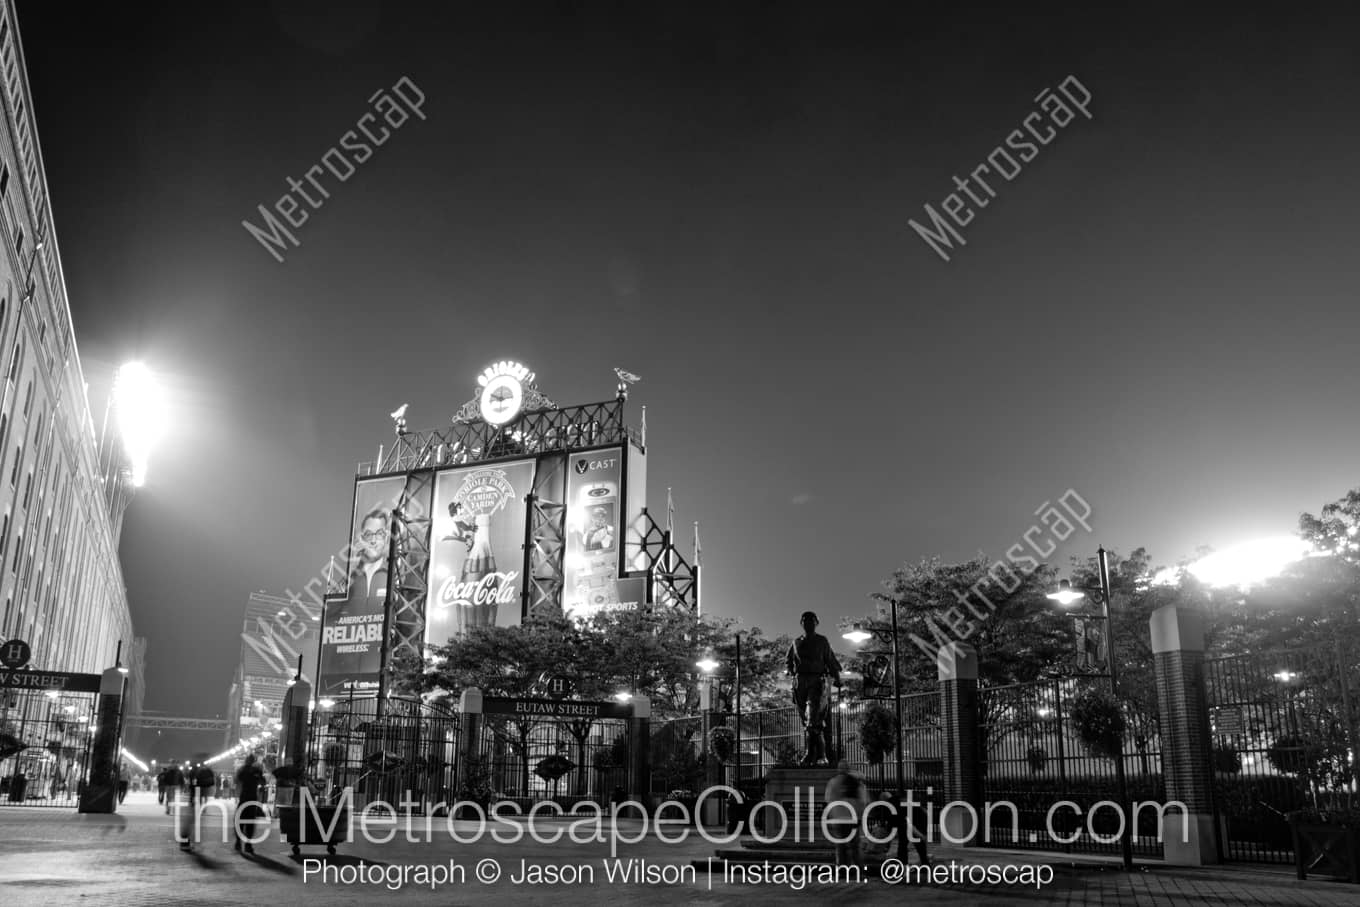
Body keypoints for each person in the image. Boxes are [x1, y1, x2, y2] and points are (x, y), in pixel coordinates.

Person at [786, 611, 842, 765]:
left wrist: (837, 678)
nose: (808, 623)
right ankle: (821, 756)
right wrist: (791, 672)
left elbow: (830, 660)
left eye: (811, 621)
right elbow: (789, 661)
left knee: (812, 720)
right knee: (809, 722)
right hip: (800, 683)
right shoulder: (796, 642)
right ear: (801, 623)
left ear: (816, 623)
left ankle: (810, 754)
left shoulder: (822, 641)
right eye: (805, 621)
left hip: (817, 682)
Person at [824, 760, 869, 866]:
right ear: (848, 769)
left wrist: (831, 815)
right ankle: (859, 870)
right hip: (852, 818)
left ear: (838, 769)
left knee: (840, 845)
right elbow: (863, 801)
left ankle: (842, 869)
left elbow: (828, 800)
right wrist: (860, 816)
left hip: (838, 818)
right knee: (855, 846)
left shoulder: (833, 782)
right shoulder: (856, 782)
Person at [235, 754, 266, 855]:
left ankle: (238, 842)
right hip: (252, 799)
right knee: (250, 823)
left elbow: (237, 780)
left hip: (243, 798)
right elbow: (263, 782)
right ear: (254, 761)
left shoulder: (242, 770)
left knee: (239, 821)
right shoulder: (257, 770)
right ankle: (248, 845)